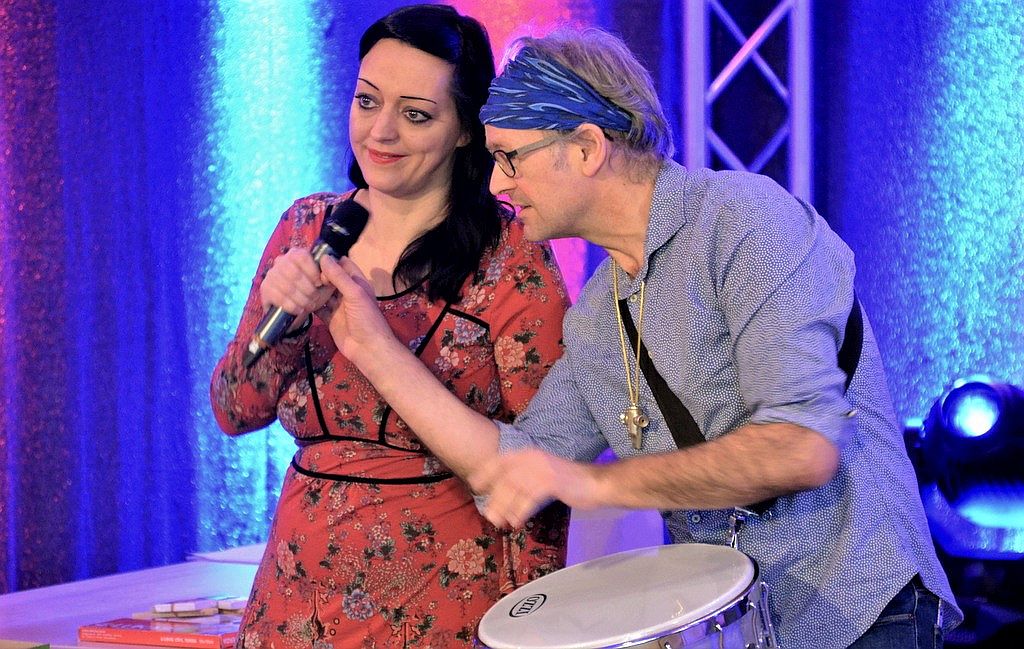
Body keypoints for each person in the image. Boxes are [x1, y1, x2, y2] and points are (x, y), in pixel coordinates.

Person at [317, 26, 963, 649]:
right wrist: (374, 348)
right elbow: (511, 468)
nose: (497, 184)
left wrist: (595, 484)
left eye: (510, 157)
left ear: (587, 147)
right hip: (731, 625)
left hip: (862, 613)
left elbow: (802, 447)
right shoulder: (598, 314)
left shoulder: (745, 220)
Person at [210, 5, 571, 647]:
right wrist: (284, 321)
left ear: (465, 130)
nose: (381, 132)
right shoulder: (307, 227)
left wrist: (534, 625)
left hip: (441, 600)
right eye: (367, 101)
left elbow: (546, 477)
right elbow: (234, 409)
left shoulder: (511, 257)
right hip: (294, 600)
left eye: (416, 115)